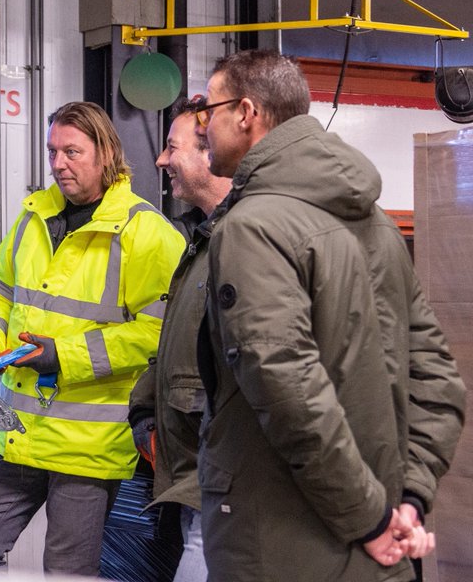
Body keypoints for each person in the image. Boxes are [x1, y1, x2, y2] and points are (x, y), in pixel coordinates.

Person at [195, 50, 467, 581]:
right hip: (381, 550)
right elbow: (438, 379)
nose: (203, 126)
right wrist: (408, 500)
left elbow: (287, 391)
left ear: (247, 113)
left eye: (209, 110)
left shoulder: (253, 228)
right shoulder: (378, 224)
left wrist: (368, 519)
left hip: (282, 548)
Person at [0, 101, 184, 576]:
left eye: (72, 152)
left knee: (66, 571)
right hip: (18, 432)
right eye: (53, 151)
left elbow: (161, 332)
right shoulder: (34, 217)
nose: (58, 163)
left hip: (87, 444)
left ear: (106, 154)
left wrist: (64, 356)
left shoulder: (147, 234)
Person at [127, 96, 232, 582]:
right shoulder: (201, 240)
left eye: (172, 147)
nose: (160, 159)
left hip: (222, 481)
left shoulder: (243, 242)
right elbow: (177, 342)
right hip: (190, 474)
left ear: (210, 152)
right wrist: (146, 408)